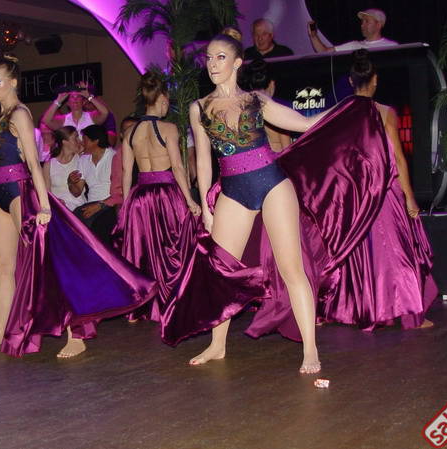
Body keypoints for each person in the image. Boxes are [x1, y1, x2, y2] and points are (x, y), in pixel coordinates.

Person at [161, 34, 396, 375]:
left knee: (292, 270)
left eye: (221, 57)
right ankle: (217, 344)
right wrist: (206, 206)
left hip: (272, 185)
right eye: (209, 58)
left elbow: (305, 124)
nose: (212, 63)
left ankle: (310, 349)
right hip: (233, 192)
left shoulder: (256, 100)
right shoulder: (199, 108)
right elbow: (203, 161)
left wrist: (351, 106)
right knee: (222, 271)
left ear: (237, 63)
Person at [0, 55, 155, 358]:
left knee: (50, 266)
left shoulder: (19, 114)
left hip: (20, 192)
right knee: (4, 269)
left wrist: (44, 206)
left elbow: (34, 163)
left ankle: (76, 334)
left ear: (13, 82)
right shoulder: (1, 116)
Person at [317, 50, 437, 330]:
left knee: (358, 253)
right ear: (374, 80)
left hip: (355, 194)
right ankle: (408, 314)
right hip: (383, 192)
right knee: (396, 252)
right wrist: (409, 196)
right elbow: (398, 158)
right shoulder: (384, 112)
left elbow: (336, 160)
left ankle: (359, 310)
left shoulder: (340, 113)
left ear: (350, 81)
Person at [112, 72, 200, 323]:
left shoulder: (130, 132)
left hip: (140, 197)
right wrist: (190, 200)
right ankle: (173, 301)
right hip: (165, 194)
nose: (167, 106)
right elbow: (178, 167)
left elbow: (126, 172)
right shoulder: (169, 128)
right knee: (172, 248)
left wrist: (126, 203)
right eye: (167, 101)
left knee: (143, 252)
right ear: (161, 98)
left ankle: (139, 308)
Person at [67, 125, 120, 245]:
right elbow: (76, 192)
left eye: (85, 139)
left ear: (95, 141)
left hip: (110, 204)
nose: (81, 143)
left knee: (99, 225)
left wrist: (100, 205)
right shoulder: (83, 160)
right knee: (72, 222)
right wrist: (70, 182)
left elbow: (119, 191)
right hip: (90, 205)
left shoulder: (114, 157)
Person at [246, 58, 292, 151]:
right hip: (276, 159)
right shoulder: (277, 111)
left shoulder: (244, 110)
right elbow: (287, 150)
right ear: (272, 83)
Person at [309, 8, 398, 53]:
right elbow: (324, 52)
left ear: (378, 25)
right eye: (362, 22)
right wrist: (313, 36)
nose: (362, 25)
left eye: (367, 21)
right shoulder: (354, 45)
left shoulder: (391, 46)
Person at [42, 126, 86, 211]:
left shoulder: (81, 159)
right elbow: (47, 193)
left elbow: (77, 192)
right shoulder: (49, 165)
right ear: (65, 142)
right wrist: (57, 202)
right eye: (75, 138)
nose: (79, 141)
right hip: (58, 208)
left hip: (77, 208)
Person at [42, 82, 110, 137]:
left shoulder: (91, 116)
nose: (75, 99)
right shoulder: (63, 120)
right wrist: (58, 100)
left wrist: (89, 96)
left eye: (78, 97)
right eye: (72, 97)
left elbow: (105, 113)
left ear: (83, 102)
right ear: (68, 103)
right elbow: (46, 120)